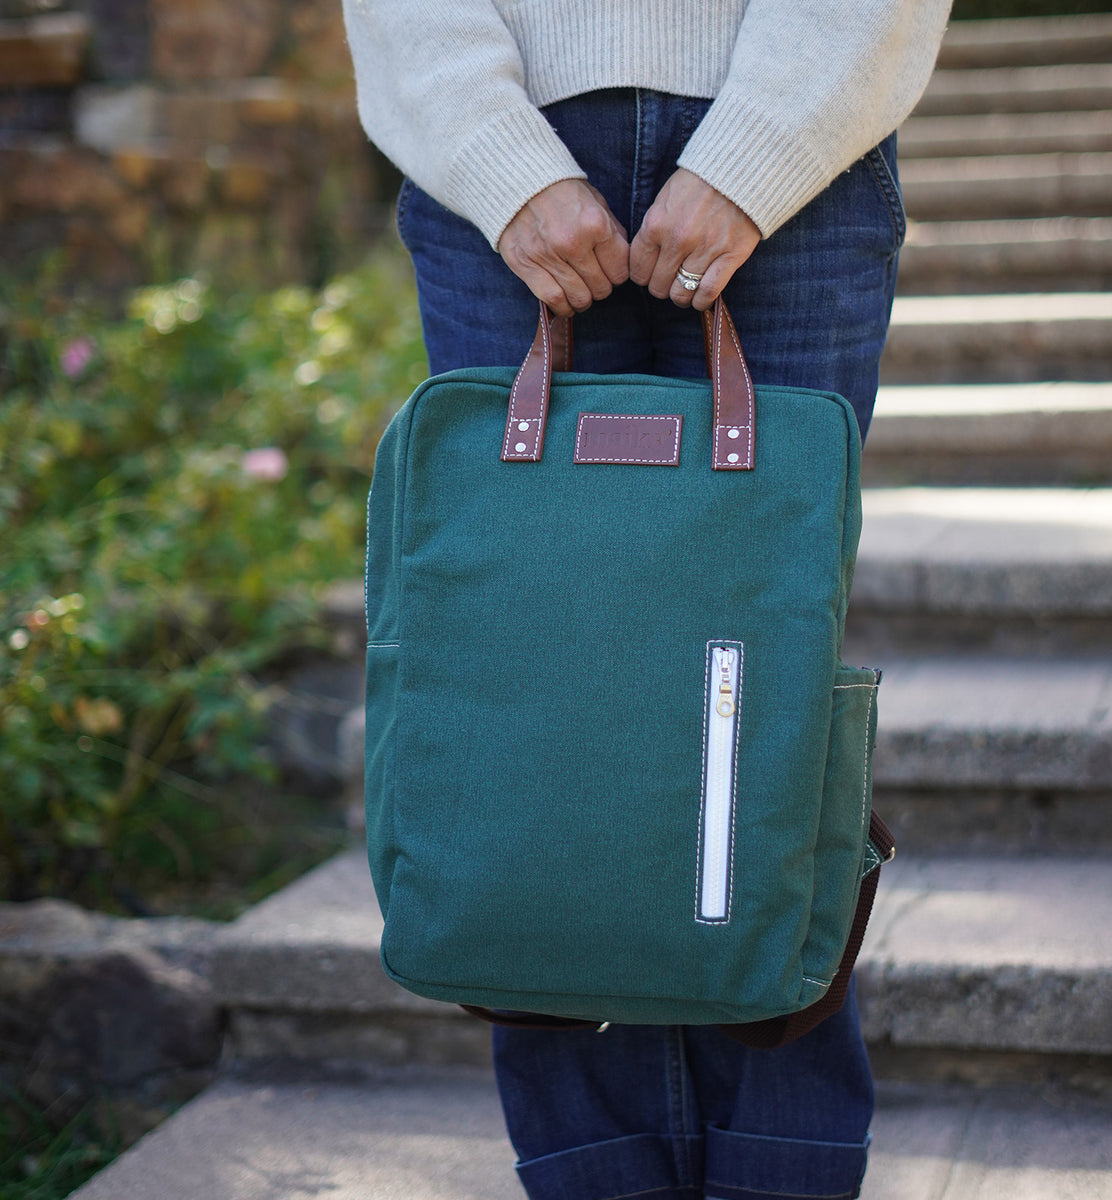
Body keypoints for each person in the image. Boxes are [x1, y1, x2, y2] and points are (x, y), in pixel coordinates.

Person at [343, 5, 951, 1198]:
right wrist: (501, 164)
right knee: (534, 683)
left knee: (767, 698)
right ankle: (593, 1175)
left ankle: (786, 1170)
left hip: (798, 152)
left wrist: (756, 150)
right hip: (498, 160)